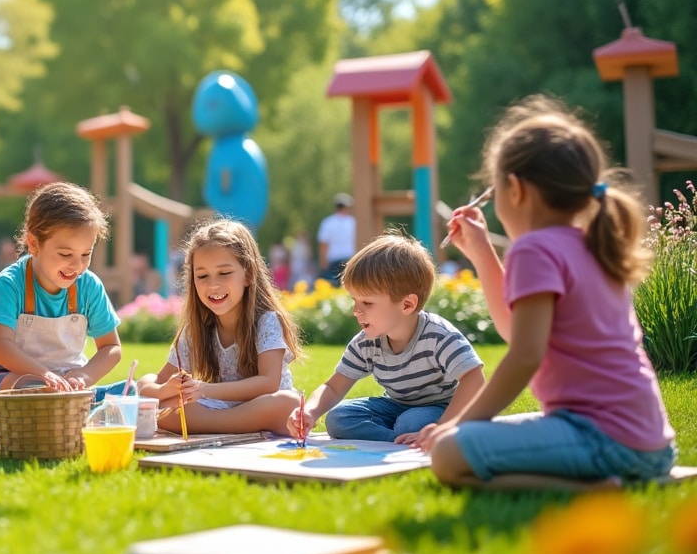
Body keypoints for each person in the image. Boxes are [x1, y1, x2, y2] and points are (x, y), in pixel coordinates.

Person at [420, 96, 675, 490]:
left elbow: (524, 355)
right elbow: (518, 331)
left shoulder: (534, 249)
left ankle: (599, 489)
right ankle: (617, 480)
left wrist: (459, 423)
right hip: (648, 442)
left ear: (516, 190)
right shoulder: (594, 243)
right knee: (468, 439)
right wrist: (483, 254)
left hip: (601, 438)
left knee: (449, 453)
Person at [287, 233, 485, 444]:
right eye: (355, 300)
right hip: (394, 405)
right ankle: (400, 441)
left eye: (367, 303)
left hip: (440, 408)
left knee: (411, 422)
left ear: (407, 305)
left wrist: (442, 425)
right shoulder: (366, 342)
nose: (356, 310)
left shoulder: (438, 335)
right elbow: (334, 387)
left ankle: (415, 434)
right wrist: (309, 411)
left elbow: (474, 379)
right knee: (339, 418)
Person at [134, 220, 302, 435]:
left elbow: (269, 383)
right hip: (220, 406)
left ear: (248, 275)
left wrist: (203, 389)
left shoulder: (266, 320)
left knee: (289, 403)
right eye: (202, 276)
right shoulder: (196, 329)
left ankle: (219, 425)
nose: (213, 285)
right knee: (164, 404)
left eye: (224, 273)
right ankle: (239, 426)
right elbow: (152, 383)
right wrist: (165, 389)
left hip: (263, 403)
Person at [0, 182, 122, 402]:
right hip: (15, 379)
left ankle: (80, 399)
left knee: (131, 391)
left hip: (68, 382)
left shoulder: (89, 286)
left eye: (86, 254)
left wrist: (83, 375)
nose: (77, 266)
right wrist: (43, 375)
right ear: (34, 244)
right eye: (65, 254)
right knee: (31, 391)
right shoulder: (10, 284)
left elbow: (111, 347)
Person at [316, 193, 356, 286]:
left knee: (333, 287)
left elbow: (323, 243)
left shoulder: (328, 222)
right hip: (350, 258)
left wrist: (323, 260)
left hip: (333, 260)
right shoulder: (353, 222)